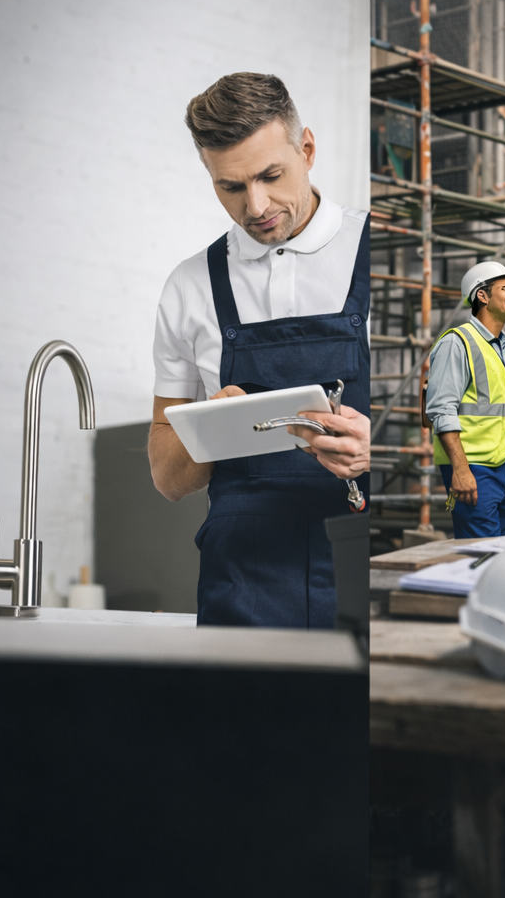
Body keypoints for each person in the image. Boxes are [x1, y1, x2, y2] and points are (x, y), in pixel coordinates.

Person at [150, 72, 370, 628]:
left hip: (359, 569)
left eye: (272, 175)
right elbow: (167, 477)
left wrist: (378, 451)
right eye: (230, 186)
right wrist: (210, 433)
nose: (256, 206)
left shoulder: (383, 249)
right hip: (241, 588)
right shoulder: (190, 285)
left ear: (308, 150)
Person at [425, 262, 505, 538]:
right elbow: (441, 410)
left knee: (504, 554)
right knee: (481, 554)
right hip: (475, 468)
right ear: (482, 296)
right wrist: (461, 470)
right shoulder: (457, 342)